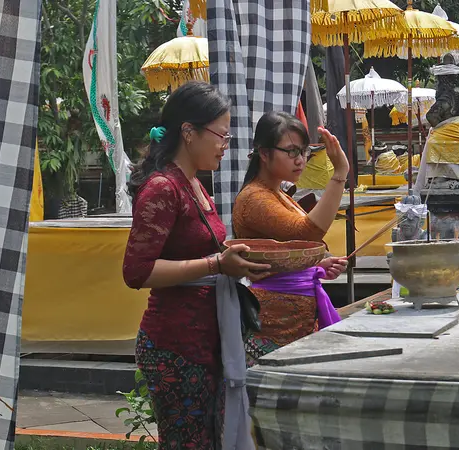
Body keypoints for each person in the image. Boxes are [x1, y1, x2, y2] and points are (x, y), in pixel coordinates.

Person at [123, 81, 268, 450]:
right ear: (189, 132)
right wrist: (217, 263)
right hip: (176, 345)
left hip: (207, 338)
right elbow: (137, 272)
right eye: (221, 134)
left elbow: (208, 255)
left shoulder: (194, 185)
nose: (225, 145)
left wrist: (234, 259)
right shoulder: (162, 188)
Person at [231, 111, 350, 366]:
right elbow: (307, 233)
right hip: (274, 322)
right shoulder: (254, 198)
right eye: (292, 151)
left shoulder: (277, 193)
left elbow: (294, 249)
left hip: (295, 318)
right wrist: (339, 173)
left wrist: (317, 265)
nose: (301, 160)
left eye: (304, 151)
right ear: (264, 153)